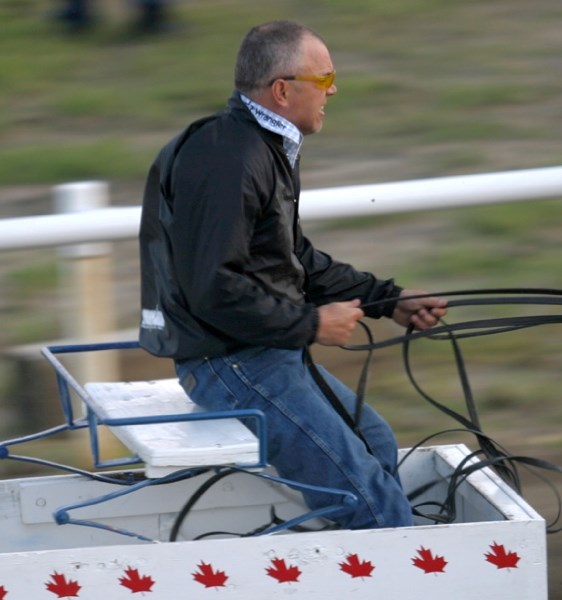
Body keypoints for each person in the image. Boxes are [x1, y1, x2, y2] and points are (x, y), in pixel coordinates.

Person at [139, 20, 448, 530]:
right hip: (228, 361)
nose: (334, 91)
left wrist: (387, 300)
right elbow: (212, 288)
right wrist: (310, 326)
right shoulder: (229, 157)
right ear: (283, 90)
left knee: (378, 443)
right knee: (374, 508)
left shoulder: (259, 146)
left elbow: (291, 257)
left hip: (256, 350)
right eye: (324, 80)